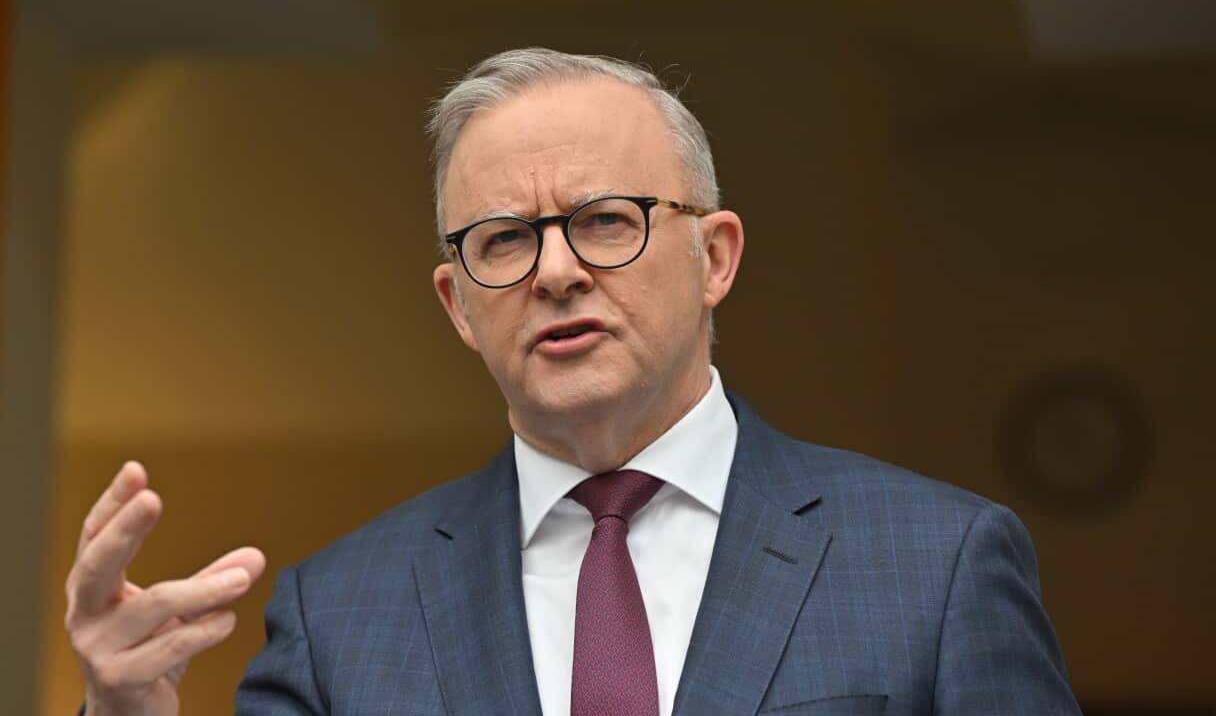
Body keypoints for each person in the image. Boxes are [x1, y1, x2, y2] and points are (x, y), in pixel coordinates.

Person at [65, 48, 1081, 715]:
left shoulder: (934, 565)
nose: (555, 271)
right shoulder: (342, 611)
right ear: (457, 305)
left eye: (605, 219)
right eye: (502, 239)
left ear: (715, 257)